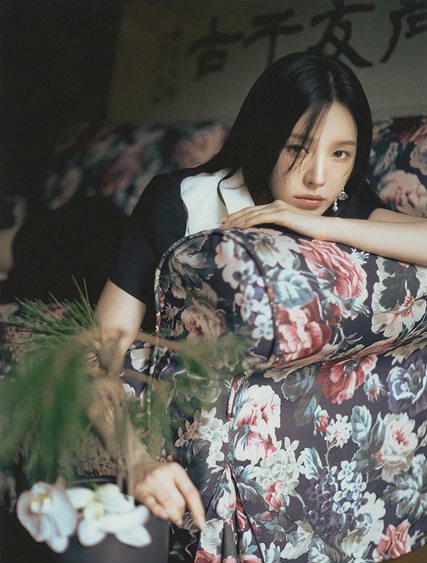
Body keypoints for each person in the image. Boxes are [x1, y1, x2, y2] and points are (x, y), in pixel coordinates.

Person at [96, 52, 427, 530]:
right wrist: (136, 460)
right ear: (262, 137)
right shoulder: (180, 200)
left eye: (340, 154)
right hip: (90, 250)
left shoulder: (338, 203)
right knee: (47, 241)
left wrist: (318, 225)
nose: (317, 177)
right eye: (296, 148)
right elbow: (96, 355)